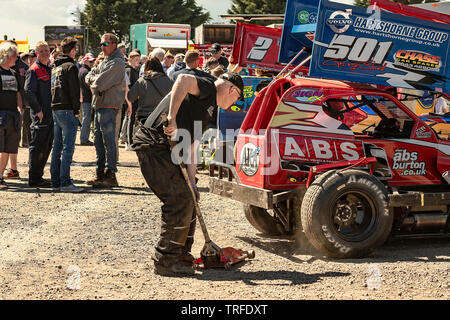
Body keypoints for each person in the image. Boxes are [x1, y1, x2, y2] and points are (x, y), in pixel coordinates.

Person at [131, 72, 244, 276]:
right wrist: (172, 116)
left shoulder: (209, 110)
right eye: (237, 98)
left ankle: (181, 254)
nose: (234, 103)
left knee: (189, 197)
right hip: (154, 144)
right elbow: (182, 80)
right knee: (178, 200)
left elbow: (193, 148)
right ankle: (165, 260)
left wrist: (193, 183)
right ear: (231, 89)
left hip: (167, 149)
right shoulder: (209, 87)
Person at [85, 33, 125, 188]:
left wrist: (95, 80)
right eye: (101, 44)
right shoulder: (106, 61)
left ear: (114, 44)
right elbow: (89, 76)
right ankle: (100, 173)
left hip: (109, 105)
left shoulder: (117, 62)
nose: (102, 47)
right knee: (98, 142)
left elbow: (99, 83)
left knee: (109, 141)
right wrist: (93, 80)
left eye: (105, 44)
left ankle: (111, 174)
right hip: (100, 105)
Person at [49, 37, 84, 193]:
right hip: (67, 109)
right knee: (68, 148)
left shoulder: (55, 67)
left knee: (57, 147)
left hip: (55, 109)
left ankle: (55, 181)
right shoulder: (71, 66)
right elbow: (74, 91)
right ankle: (65, 182)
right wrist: (77, 110)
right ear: (72, 50)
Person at [25, 41, 53, 188]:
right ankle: (34, 178)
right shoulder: (34, 70)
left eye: (47, 50)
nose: (45, 53)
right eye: (41, 51)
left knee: (47, 145)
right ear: (36, 53)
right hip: (40, 115)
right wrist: (38, 111)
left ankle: (39, 176)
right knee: (37, 146)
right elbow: (29, 92)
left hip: (50, 114)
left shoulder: (50, 69)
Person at [0, 41, 23, 189]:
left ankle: (0, 176)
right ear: (7, 55)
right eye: (15, 55)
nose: (17, 58)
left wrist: (21, 109)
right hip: (1, 115)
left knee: (8, 148)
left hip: (13, 115)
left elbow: (18, 93)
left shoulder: (14, 74)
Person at [127, 57, 172, 125]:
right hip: (163, 118)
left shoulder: (142, 81)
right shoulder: (169, 80)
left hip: (144, 118)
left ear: (146, 66)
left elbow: (130, 97)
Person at [78, 53, 96, 146]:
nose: (92, 63)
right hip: (87, 98)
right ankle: (84, 139)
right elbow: (89, 86)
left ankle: (84, 138)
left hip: (85, 98)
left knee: (86, 118)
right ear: (85, 61)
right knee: (86, 119)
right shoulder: (85, 71)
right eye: (90, 61)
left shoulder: (82, 70)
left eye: (93, 61)